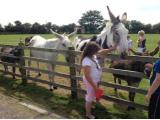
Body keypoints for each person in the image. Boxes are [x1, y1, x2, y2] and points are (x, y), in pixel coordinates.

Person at [81, 42, 116, 119]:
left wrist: (112, 49)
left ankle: (90, 106)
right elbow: (87, 76)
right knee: (89, 97)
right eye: (96, 50)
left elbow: (102, 51)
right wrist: (95, 87)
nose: (98, 52)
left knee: (92, 95)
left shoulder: (92, 56)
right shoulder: (86, 60)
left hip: (94, 80)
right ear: (92, 51)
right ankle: (88, 114)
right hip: (90, 81)